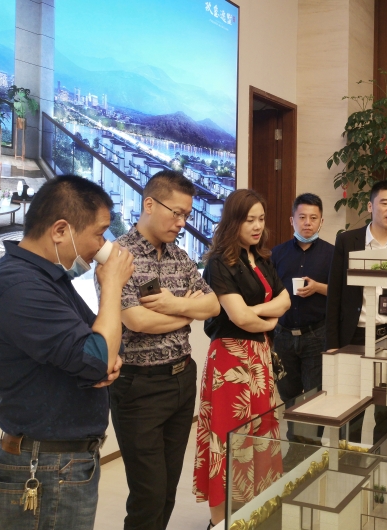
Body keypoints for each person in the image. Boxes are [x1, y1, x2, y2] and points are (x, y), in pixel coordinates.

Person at [0, 175, 134, 530]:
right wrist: (111, 285)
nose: (103, 246)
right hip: (46, 467)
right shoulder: (19, 287)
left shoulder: (49, 279)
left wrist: (105, 355)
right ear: (61, 230)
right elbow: (98, 358)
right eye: (99, 233)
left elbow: (108, 345)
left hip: (60, 464)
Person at [98, 170, 220, 530]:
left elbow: (212, 305)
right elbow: (136, 320)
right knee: (148, 494)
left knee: (167, 489)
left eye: (186, 215)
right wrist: (187, 313)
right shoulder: (119, 257)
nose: (182, 223)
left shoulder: (180, 256)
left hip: (182, 379)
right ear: (149, 204)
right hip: (140, 386)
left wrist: (173, 305)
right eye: (177, 213)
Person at [193, 189, 291, 528]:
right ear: (233, 221)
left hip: (260, 356)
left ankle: (252, 511)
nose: (257, 226)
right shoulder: (219, 262)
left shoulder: (261, 258)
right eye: (249, 219)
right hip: (230, 359)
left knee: (262, 433)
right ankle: (219, 522)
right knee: (227, 437)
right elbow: (238, 318)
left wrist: (256, 312)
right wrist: (267, 318)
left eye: (261, 219)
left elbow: (285, 301)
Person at [325, 180, 387, 442]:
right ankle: (350, 456)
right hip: (354, 335)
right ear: (370, 206)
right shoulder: (348, 241)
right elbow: (335, 295)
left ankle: (383, 456)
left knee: (386, 407)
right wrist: (332, 344)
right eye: (385, 203)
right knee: (351, 406)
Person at [271, 193, 334, 405]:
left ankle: (313, 429)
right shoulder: (277, 254)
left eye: (313, 218)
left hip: (316, 335)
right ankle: (293, 428)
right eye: (302, 217)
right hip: (283, 335)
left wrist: (318, 288)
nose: (307, 222)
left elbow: (342, 293)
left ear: (321, 221)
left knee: (316, 395)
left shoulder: (332, 254)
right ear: (292, 220)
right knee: (288, 396)